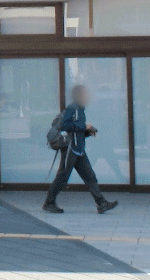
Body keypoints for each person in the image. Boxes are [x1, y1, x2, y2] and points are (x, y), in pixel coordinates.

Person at [43, 85, 117, 214]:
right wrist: (84, 126)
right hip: (70, 149)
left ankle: (101, 203)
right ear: (78, 96)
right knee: (62, 177)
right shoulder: (72, 109)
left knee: (90, 176)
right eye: (85, 94)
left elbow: (78, 131)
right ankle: (49, 203)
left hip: (79, 150)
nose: (88, 96)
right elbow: (65, 126)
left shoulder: (81, 110)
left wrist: (89, 132)